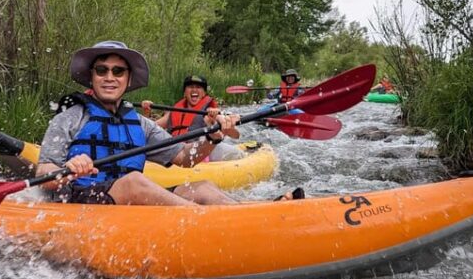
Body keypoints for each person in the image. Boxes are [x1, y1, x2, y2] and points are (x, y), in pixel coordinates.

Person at [36, 40, 301, 205]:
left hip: (125, 201)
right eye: (101, 70)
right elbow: (43, 173)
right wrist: (67, 169)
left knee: (202, 187)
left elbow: (186, 158)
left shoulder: (140, 124)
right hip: (82, 199)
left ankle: (259, 210)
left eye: (118, 71)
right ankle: (214, 224)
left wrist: (213, 137)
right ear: (91, 77)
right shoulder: (69, 117)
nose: (109, 77)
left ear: (128, 80)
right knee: (134, 182)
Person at [140, 75, 243, 161]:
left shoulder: (209, 111)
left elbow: (236, 135)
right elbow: (148, 129)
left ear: (203, 93)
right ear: (185, 92)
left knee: (229, 151)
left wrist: (219, 120)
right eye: (190, 86)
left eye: (198, 87)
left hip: (197, 154)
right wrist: (146, 113)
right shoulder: (174, 112)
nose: (194, 89)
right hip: (177, 153)